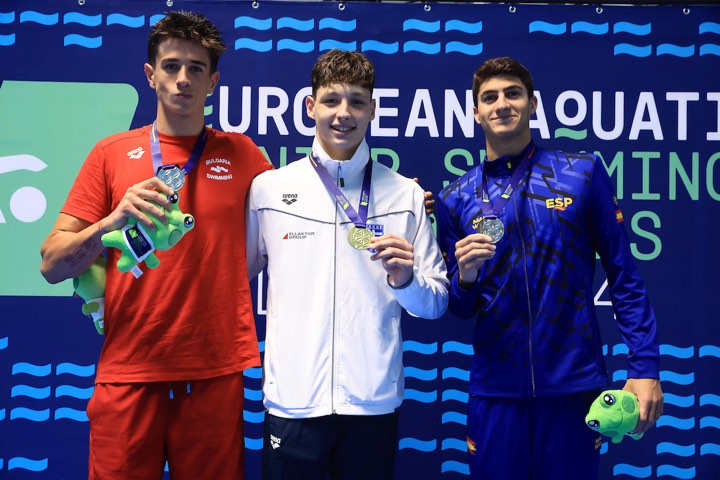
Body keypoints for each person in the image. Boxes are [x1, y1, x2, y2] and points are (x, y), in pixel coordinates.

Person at [40, 11, 272, 479]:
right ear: (150, 75)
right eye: (171, 66)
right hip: (129, 368)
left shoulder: (243, 154)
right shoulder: (110, 154)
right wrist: (112, 220)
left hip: (213, 371)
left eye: (196, 68)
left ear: (213, 82)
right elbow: (51, 264)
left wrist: (401, 200)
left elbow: (305, 210)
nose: (183, 78)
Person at [434, 57, 663, 479]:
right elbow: (462, 308)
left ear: (533, 103)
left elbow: (624, 276)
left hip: (574, 388)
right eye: (490, 97)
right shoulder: (455, 199)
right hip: (496, 392)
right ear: (476, 112)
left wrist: (645, 367)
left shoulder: (581, 173)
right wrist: (465, 278)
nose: (502, 104)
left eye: (513, 93)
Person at [245, 49, 449, 480]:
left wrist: (407, 280)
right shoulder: (269, 189)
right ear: (310, 106)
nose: (344, 113)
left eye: (356, 101)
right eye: (331, 100)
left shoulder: (405, 195)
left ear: (372, 109)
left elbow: (435, 303)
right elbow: (234, 276)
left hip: (372, 403)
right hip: (293, 402)